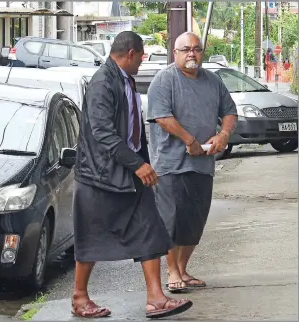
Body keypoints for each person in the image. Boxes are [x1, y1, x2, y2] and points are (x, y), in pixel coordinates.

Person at [71, 31, 193, 319]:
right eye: (140, 57)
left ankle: (156, 299)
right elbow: (103, 133)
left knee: (150, 228)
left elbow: (131, 130)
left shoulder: (125, 79)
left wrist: (143, 164)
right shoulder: (103, 82)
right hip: (99, 176)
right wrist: (136, 164)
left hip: (128, 172)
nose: (141, 62)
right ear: (130, 54)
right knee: (92, 237)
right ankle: (79, 297)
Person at [147, 32, 238, 293]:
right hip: (170, 164)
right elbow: (162, 117)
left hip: (203, 164)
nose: (191, 54)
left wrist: (223, 134)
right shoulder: (164, 80)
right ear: (175, 52)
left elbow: (230, 112)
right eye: (185, 49)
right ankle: (172, 271)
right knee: (172, 221)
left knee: (194, 221)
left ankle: (183, 269)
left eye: (196, 49)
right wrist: (190, 140)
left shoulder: (212, 80)